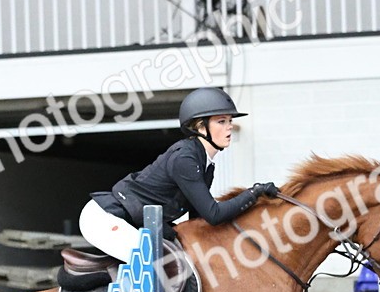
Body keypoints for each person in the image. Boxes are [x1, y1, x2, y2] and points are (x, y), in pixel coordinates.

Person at [80, 87, 278, 261]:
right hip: (104, 219)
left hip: (128, 220)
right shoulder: (185, 159)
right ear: (201, 126)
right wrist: (254, 192)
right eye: (221, 121)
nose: (230, 126)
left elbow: (198, 220)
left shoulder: (206, 166)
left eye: (229, 121)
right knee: (158, 264)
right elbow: (214, 215)